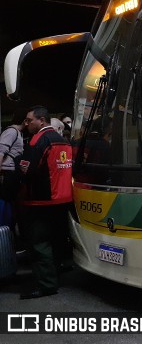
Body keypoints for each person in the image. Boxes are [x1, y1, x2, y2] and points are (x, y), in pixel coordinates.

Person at [18, 105, 73, 299]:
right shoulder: (63, 141)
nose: (27, 123)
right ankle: (56, 274)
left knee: (39, 244)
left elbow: (27, 169)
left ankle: (47, 285)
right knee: (57, 240)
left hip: (41, 201)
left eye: (29, 120)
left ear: (41, 120)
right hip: (63, 199)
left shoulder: (38, 140)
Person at [0, 112, 25, 228]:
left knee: (8, 200)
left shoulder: (18, 133)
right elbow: (1, 151)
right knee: (4, 200)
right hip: (6, 172)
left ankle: (7, 228)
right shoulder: (11, 131)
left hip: (11, 172)